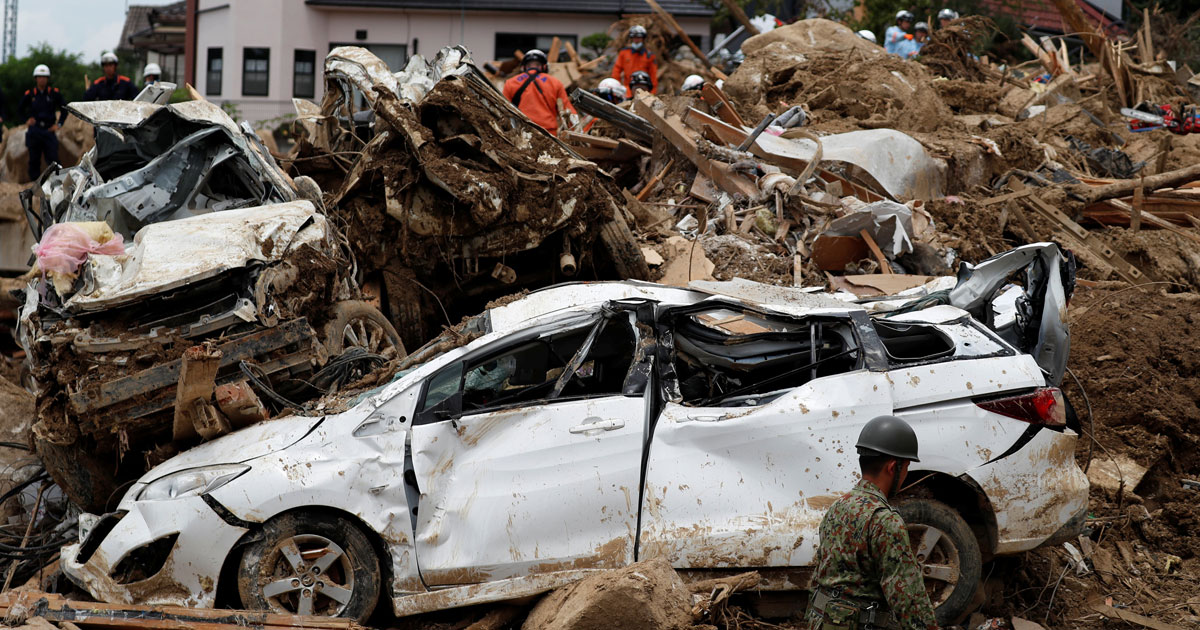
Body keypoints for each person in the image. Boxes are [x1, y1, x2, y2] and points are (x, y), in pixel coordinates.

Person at [804, 415, 938, 630]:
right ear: (893, 467)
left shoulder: (837, 508)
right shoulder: (885, 521)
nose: (906, 475)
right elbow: (909, 600)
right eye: (906, 468)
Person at [502, 49, 577, 136]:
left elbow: (503, 111)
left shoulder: (510, 83)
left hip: (521, 134)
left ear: (524, 67)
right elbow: (568, 113)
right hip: (549, 135)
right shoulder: (555, 83)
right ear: (544, 66)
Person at [19, 64, 68, 183]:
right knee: (34, 160)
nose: (42, 79)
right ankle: (34, 186)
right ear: (36, 78)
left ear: (48, 78)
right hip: (35, 131)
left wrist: (59, 124)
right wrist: (26, 119)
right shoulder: (30, 94)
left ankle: (57, 183)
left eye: (44, 77)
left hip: (48, 130)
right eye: (39, 77)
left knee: (53, 159)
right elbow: (19, 109)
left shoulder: (54, 93)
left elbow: (65, 109)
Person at [612, 25, 658, 94]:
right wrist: (616, 86)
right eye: (634, 37)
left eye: (639, 37)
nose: (636, 40)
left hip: (644, 90)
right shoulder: (624, 53)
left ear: (643, 38)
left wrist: (652, 92)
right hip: (627, 89)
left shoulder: (649, 55)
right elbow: (616, 70)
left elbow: (653, 75)